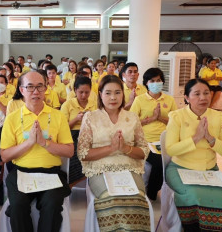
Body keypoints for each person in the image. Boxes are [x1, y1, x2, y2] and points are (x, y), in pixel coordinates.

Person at [0, 71, 73, 232]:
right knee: (18, 205)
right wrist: (30, 143)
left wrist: (44, 143)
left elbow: (69, 151)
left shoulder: (58, 116)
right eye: (30, 87)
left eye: (40, 87)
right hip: (21, 173)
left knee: (52, 205)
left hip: (51, 173)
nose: (36, 92)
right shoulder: (12, 118)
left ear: (46, 88)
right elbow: (5, 156)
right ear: (21, 90)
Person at [77, 75, 150, 231]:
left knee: (136, 198)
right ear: (100, 95)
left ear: (123, 95)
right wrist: (111, 148)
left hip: (129, 168)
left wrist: (125, 149)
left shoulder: (132, 117)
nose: (113, 97)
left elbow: (143, 151)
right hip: (100, 169)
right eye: (108, 93)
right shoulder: (90, 117)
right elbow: (83, 153)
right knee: (111, 198)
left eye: (117, 92)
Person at [165, 79, 222, 231]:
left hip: (209, 170)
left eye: (206, 93)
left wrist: (210, 138)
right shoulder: (177, 117)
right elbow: (171, 149)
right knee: (193, 194)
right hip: (180, 169)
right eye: (196, 94)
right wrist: (196, 138)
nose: (203, 98)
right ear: (186, 97)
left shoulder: (219, 117)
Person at [130, 68, 177, 200]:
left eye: (158, 80)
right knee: (158, 162)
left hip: (165, 140)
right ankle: (151, 193)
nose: (156, 83)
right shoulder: (139, 100)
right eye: (152, 81)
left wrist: (160, 117)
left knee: (170, 161)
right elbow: (132, 122)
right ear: (146, 83)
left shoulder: (169, 100)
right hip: (145, 140)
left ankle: (155, 191)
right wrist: (151, 119)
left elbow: (175, 122)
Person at [61, 76, 97, 187]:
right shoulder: (68, 104)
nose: (84, 95)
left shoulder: (94, 104)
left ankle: (94, 183)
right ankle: (72, 185)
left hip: (91, 134)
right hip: (72, 134)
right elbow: (63, 128)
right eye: (81, 92)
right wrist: (76, 119)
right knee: (76, 154)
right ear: (75, 90)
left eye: (87, 92)